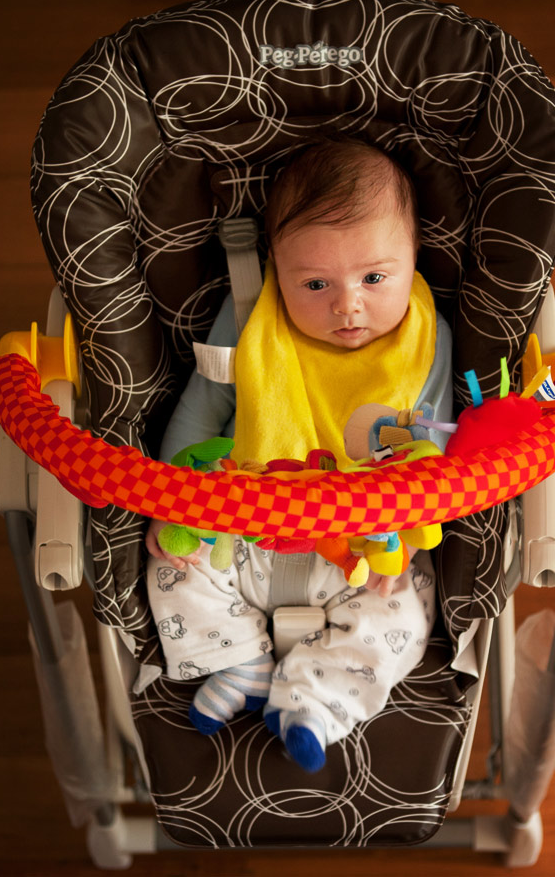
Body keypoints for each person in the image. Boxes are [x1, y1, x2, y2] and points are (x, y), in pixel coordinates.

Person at [145, 135, 453, 772]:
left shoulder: (428, 337)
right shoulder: (249, 316)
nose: (347, 303)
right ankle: (239, 659)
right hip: (245, 531)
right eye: (314, 282)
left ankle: (316, 697)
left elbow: (436, 444)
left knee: (403, 611)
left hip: (362, 551)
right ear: (274, 267)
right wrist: (174, 502)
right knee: (172, 564)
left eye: (374, 277)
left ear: (413, 256)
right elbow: (202, 410)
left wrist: (403, 528)